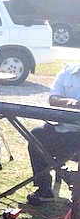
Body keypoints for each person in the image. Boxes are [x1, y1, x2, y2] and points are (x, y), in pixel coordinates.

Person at [26, 63, 80, 205]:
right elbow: (53, 98)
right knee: (36, 136)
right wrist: (69, 103)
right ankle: (44, 189)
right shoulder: (67, 71)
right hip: (61, 130)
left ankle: (78, 193)